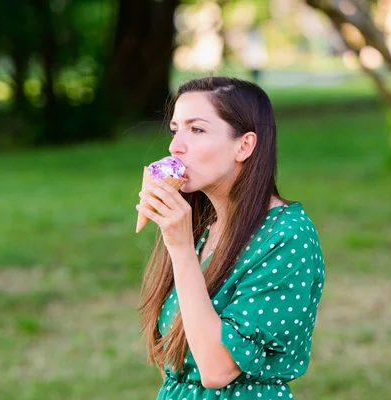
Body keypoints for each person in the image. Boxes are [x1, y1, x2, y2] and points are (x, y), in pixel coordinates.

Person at [136, 77, 325, 399]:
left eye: (196, 130)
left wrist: (180, 248)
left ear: (244, 146)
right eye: (175, 129)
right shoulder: (202, 225)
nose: (175, 147)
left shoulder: (288, 237)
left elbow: (216, 369)